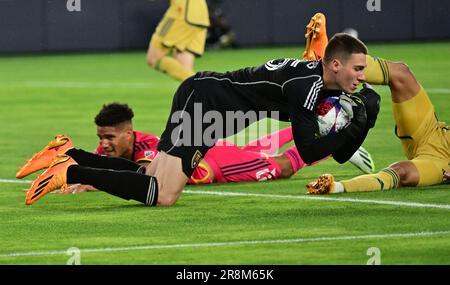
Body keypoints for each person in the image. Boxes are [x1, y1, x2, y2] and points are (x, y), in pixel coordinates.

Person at [24, 29, 381, 206]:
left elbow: (338, 147)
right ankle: (69, 171)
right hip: (207, 107)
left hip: (209, 103)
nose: (363, 76)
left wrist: (361, 119)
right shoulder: (306, 86)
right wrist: (358, 124)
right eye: (359, 68)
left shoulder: (317, 76)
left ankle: (68, 153)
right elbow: (309, 146)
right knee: (162, 194)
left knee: (149, 175)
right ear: (335, 65)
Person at [17, 103, 375, 194]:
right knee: (257, 146)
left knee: (278, 166)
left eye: (110, 138)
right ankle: (323, 128)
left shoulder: (146, 149)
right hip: (209, 150)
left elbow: (146, 176)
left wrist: (89, 181)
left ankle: (337, 142)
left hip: (214, 167)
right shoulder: (113, 148)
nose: (105, 144)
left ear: (129, 134)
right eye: (102, 138)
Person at [305, 15, 449, 194]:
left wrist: (338, 188)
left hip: (438, 160)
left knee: (402, 173)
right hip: (433, 131)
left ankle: (336, 187)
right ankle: (325, 63)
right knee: (401, 73)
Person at [146, 0, 210, 81]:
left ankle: (203, 86)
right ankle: (202, 90)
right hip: (201, 14)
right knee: (184, 67)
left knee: (154, 58)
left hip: (182, 13)